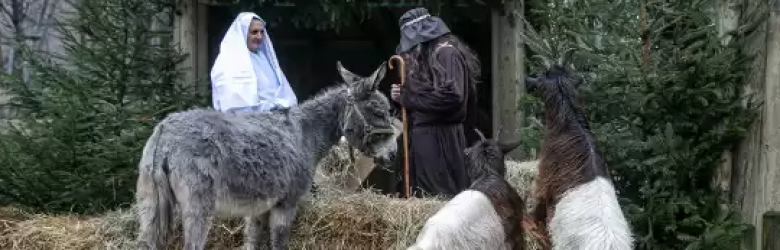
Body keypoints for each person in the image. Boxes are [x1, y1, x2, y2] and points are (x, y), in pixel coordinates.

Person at [390, 7, 482, 198]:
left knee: (439, 196)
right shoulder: (430, 57)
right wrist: (401, 99)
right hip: (426, 137)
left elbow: (451, 97)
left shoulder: (446, 53)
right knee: (423, 194)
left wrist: (408, 97)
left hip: (441, 139)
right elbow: (426, 97)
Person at [210, 12, 298, 113]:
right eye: (254, 32)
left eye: (262, 32)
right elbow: (234, 105)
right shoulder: (228, 60)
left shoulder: (264, 58)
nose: (259, 36)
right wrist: (269, 107)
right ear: (243, 33)